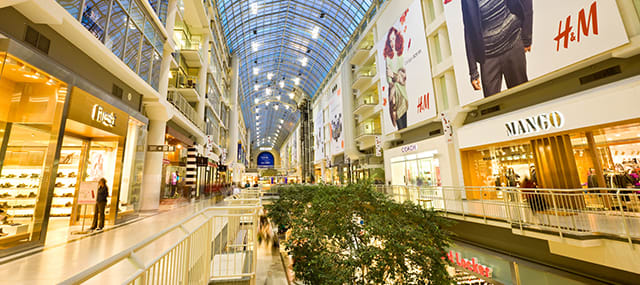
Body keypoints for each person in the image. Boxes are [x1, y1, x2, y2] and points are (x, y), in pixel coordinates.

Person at [462, 0, 533, 97]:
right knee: (491, 106)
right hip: (488, 56)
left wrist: (527, 37)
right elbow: (469, 29)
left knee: (522, 97)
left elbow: (526, 2)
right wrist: (473, 71)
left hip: (512, 42)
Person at [384, 27, 408, 130]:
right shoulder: (388, 59)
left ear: (397, 39)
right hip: (393, 98)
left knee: (404, 124)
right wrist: (394, 78)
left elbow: (402, 78)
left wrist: (393, 76)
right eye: (390, 40)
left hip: (402, 95)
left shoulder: (401, 56)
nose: (392, 42)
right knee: (399, 125)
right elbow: (389, 80)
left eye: (393, 39)